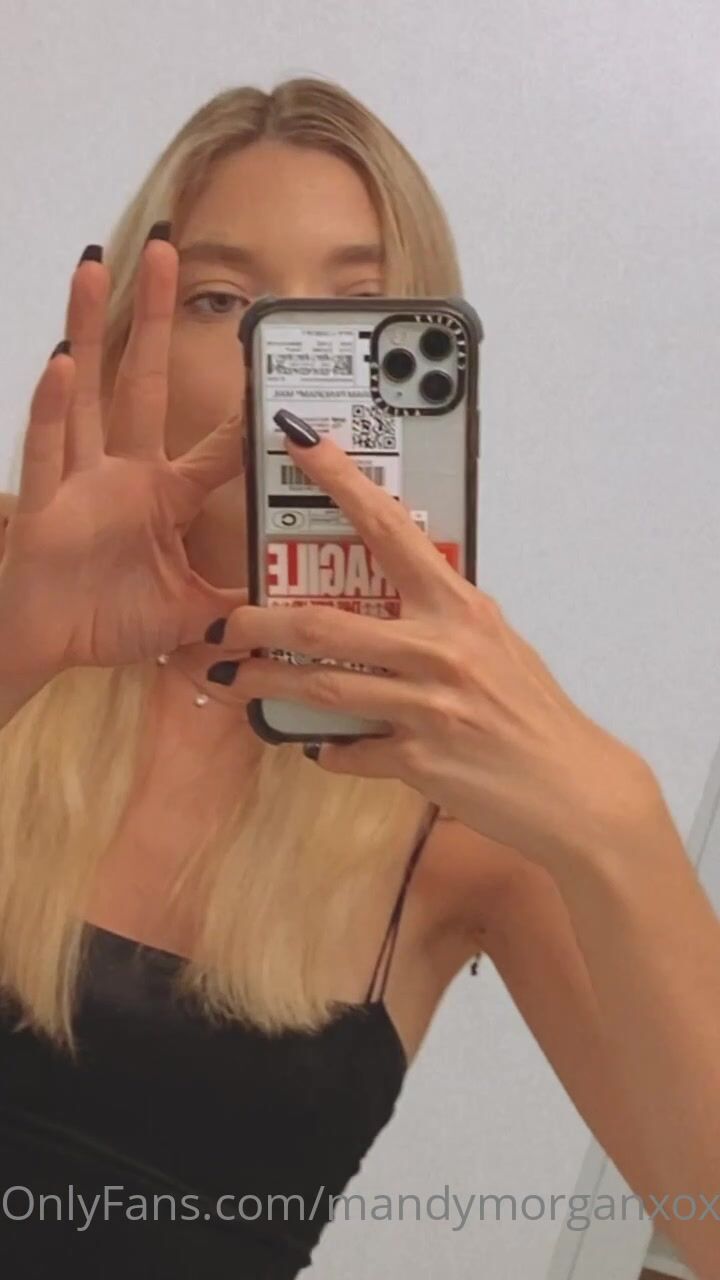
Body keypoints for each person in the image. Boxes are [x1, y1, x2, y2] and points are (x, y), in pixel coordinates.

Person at [0, 78, 717, 1279]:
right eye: (223, 301)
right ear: (132, 339)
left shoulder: (464, 804)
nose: (286, 369)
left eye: (355, 314)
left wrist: (621, 823)